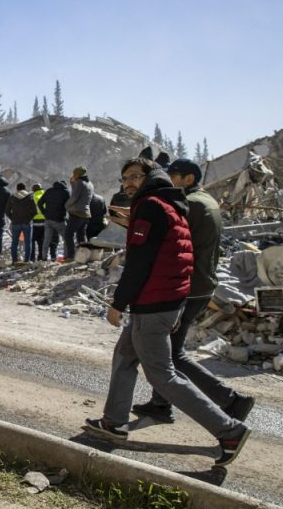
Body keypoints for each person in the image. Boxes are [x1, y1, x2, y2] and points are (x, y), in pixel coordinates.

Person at [85, 157, 251, 468]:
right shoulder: (171, 202)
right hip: (168, 300)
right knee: (124, 356)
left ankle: (229, 430)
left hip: (153, 304)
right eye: (125, 179)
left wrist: (118, 303)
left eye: (135, 176)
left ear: (151, 176)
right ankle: (113, 421)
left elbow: (140, 261)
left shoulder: (150, 205)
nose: (129, 183)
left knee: (163, 376)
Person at [132, 158, 255, 425]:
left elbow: (170, 240)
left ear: (188, 178)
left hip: (189, 285)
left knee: (172, 355)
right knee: (169, 352)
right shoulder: (205, 201)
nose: (168, 181)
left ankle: (231, 400)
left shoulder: (192, 205)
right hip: (201, 283)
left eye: (173, 176)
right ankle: (160, 403)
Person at [63, 166, 94, 261]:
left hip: (77, 212)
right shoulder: (90, 183)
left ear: (78, 174)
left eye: (74, 174)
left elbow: (74, 197)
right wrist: (73, 185)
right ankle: (84, 256)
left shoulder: (80, 183)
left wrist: (66, 206)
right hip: (86, 213)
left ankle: (71, 256)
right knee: (81, 235)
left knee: (68, 234)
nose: (73, 176)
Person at [5, 183, 36, 263]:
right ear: (25, 189)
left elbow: (7, 211)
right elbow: (35, 211)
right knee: (28, 242)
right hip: (26, 223)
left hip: (16, 223)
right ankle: (26, 260)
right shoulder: (29, 197)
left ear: (17, 189)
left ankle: (14, 260)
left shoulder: (12, 197)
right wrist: (29, 219)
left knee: (14, 242)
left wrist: (13, 219)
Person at [38, 181, 69, 261]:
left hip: (48, 220)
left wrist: (44, 213)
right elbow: (69, 206)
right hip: (59, 220)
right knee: (67, 238)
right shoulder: (65, 192)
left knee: (46, 239)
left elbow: (39, 203)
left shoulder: (49, 191)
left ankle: (44, 257)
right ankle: (66, 256)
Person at [31, 183, 47, 261]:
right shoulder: (46, 196)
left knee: (32, 240)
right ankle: (41, 256)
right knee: (42, 241)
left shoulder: (33, 197)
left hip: (35, 222)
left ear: (33, 190)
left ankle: (32, 257)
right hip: (45, 221)